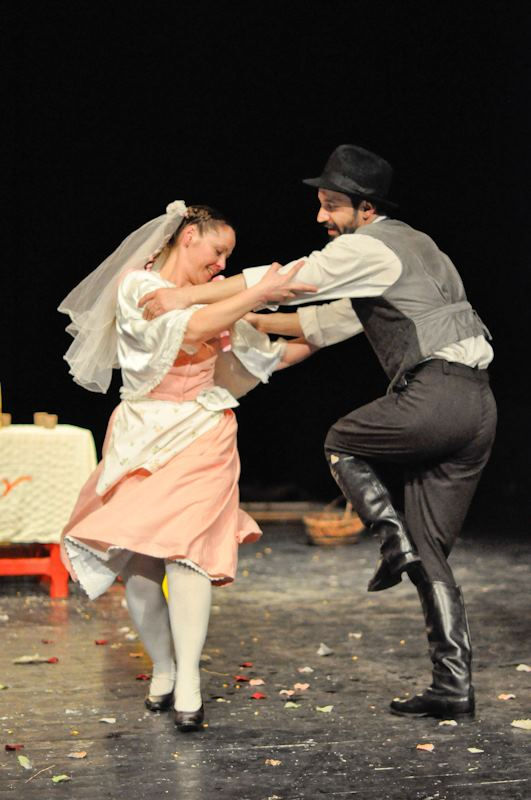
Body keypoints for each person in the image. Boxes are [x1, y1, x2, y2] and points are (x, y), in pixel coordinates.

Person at [139, 147, 497, 720]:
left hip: (436, 395)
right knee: (433, 554)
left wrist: (187, 296)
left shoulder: (368, 246)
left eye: (331, 205)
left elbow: (288, 282)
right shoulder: (419, 247)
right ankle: (452, 684)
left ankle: (392, 542)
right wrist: (245, 317)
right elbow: (327, 321)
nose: (321, 216)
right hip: (477, 407)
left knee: (342, 440)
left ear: (366, 208)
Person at [58, 201, 315, 732]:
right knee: (142, 571)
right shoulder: (137, 286)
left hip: (204, 432)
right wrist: (256, 291)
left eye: (229, 258)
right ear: (189, 235)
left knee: (188, 557)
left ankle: (190, 682)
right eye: (218, 250)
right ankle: (164, 667)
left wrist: (332, 330)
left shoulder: (213, 296)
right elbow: (192, 326)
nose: (221, 264)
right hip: (143, 437)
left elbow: (264, 353)